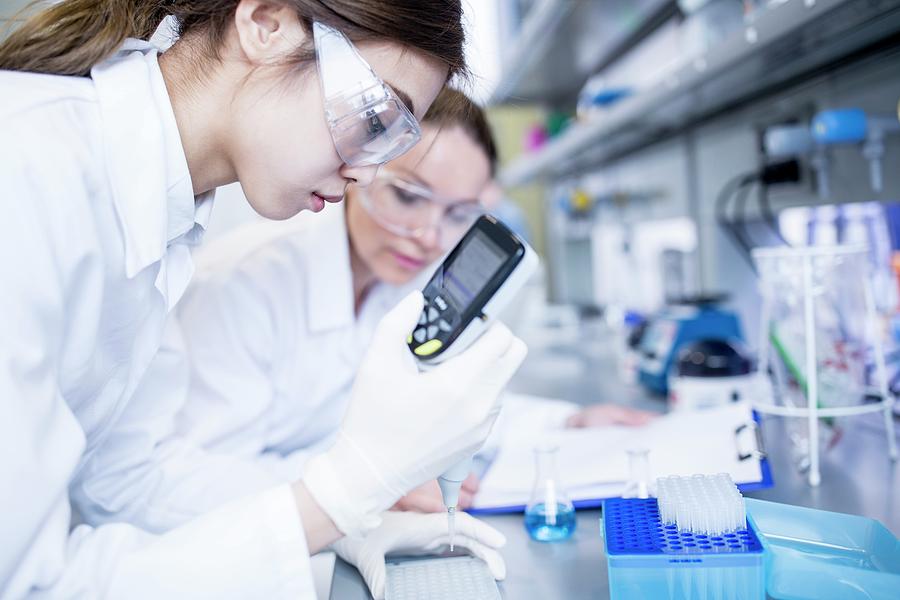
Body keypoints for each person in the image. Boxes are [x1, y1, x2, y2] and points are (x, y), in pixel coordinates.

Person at [0, 2, 526, 598]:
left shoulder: (164, 218)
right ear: (266, 23)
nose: (370, 176)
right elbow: (28, 582)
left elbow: (128, 479)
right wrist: (341, 496)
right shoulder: (22, 166)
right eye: (379, 117)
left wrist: (340, 523)